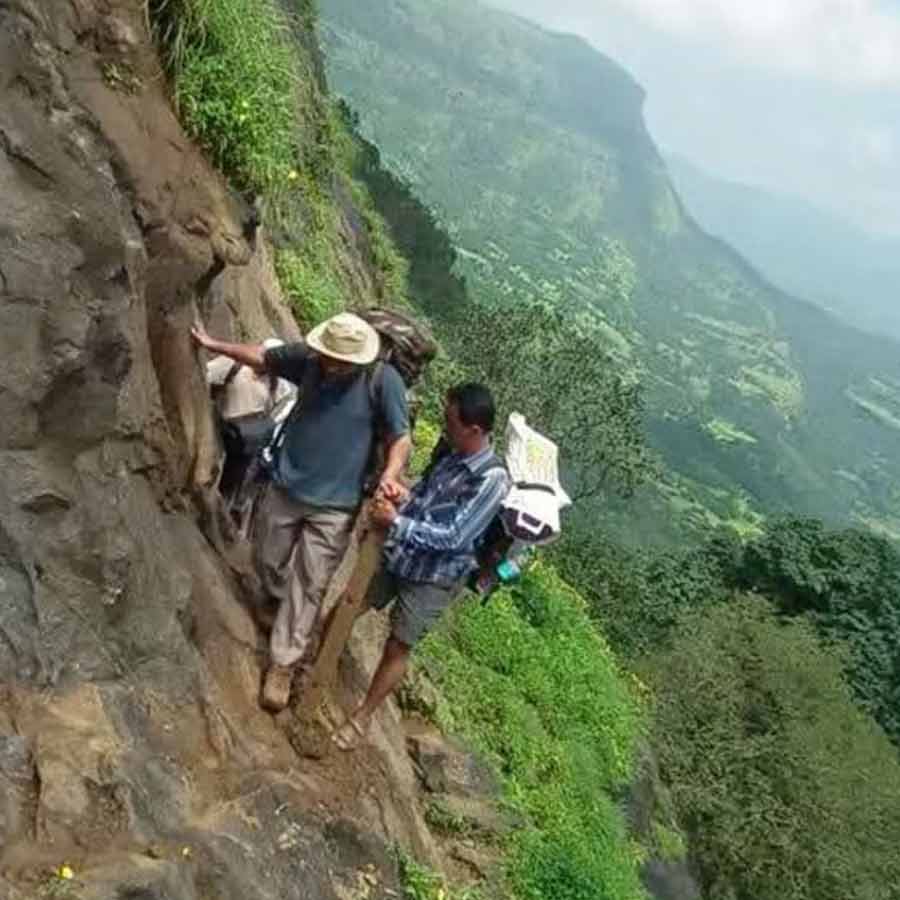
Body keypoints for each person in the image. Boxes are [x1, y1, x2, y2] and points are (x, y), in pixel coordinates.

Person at [191, 313, 411, 712]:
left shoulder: (383, 382)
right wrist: (214, 344)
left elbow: (400, 438)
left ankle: (283, 664)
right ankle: (273, 600)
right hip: (286, 485)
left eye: (340, 360)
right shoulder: (309, 360)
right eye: (328, 356)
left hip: (336, 504)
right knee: (266, 557)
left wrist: (391, 475)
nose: (330, 364)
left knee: (309, 584)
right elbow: (263, 358)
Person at [330, 383, 510, 751]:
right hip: (402, 552)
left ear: (475, 430)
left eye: (451, 421)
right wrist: (404, 497)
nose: (445, 427)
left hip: (435, 577)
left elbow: (455, 537)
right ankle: (315, 660)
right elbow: (428, 498)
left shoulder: (492, 480)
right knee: (352, 602)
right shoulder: (452, 453)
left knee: (399, 645)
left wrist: (395, 522)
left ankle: (361, 718)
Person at [206, 337, 296, 506]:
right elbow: (206, 376)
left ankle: (223, 506)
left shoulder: (279, 385)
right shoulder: (233, 364)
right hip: (218, 425)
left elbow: (274, 417)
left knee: (231, 480)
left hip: (244, 439)